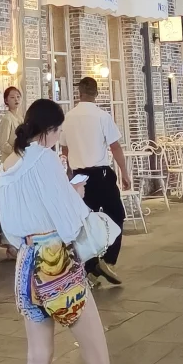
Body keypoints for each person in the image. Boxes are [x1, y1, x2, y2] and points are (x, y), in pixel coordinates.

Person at [0, 97, 144, 364]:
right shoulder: (45, 160)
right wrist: (76, 193)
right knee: (98, 360)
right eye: (58, 131)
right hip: (56, 263)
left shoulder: (8, 165)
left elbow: (10, 230)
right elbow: (69, 223)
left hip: (27, 264)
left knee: (37, 360)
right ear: (50, 129)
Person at [60, 77, 129, 288]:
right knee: (116, 215)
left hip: (79, 176)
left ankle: (89, 267)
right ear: (96, 93)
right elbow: (115, 147)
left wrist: (69, 174)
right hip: (101, 175)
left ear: (79, 93)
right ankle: (107, 260)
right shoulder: (102, 116)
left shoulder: (68, 117)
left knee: (83, 224)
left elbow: (64, 149)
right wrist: (125, 172)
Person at [0, 86, 24, 259]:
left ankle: (17, 242)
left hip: (19, 164)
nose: (16, 99)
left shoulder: (20, 118)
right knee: (11, 205)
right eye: (12, 97)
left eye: (18, 96)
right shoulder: (7, 119)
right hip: (10, 165)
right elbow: (2, 143)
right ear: (6, 100)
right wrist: (16, 151)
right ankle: (10, 245)